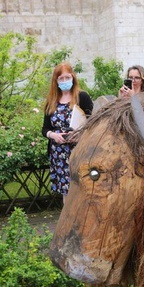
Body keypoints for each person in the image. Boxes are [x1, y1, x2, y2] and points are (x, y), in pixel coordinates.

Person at [42, 62, 93, 198]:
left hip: (78, 150)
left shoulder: (82, 97)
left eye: (67, 77)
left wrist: (79, 134)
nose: (64, 81)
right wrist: (53, 135)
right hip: (58, 154)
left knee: (81, 190)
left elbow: (93, 123)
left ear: (73, 77)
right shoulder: (52, 101)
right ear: (56, 81)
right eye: (61, 79)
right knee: (66, 193)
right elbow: (45, 129)